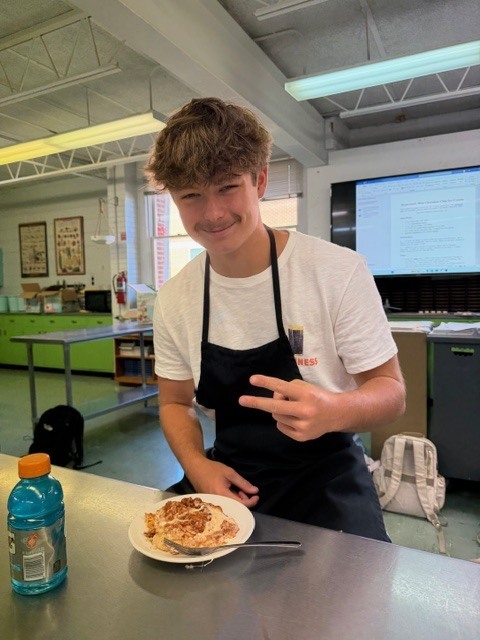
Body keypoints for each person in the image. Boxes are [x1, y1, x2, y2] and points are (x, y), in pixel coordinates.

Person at [145, 97, 406, 542]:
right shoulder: (174, 299)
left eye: (227, 186)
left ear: (260, 180)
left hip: (328, 478)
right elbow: (174, 402)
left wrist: (335, 409)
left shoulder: (336, 271)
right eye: (191, 195)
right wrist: (198, 466)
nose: (212, 214)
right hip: (228, 476)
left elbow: (392, 393)